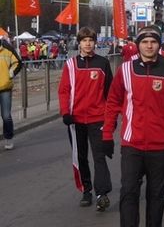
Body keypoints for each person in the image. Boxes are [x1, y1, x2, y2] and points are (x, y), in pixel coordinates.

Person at [102, 26, 164, 227]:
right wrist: (107, 134)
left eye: (153, 42)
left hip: (160, 146)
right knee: (129, 193)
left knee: (157, 196)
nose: (149, 46)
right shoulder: (125, 70)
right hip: (132, 144)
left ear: (159, 44)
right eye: (145, 42)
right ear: (138, 44)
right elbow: (113, 102)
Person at [57, 27, 113, 210]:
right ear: (79, 43)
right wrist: (65, 113)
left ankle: (102, 193)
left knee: (99, 156)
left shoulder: (103, 63)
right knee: (80, 157)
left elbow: (110, 93)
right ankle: (86, 190)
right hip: (76, 120)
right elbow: (64, 90)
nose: (87, 43)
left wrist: (110, 116)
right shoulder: (71, 65)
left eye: (90, 40)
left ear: (95, 42)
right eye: (84, 40)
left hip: (98, 119)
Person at [0, 37, 21, 150]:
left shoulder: (7, 48)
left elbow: (18, 62)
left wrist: (11, 73)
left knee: (6, 115)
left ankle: (8, 138)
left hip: (5, 87)